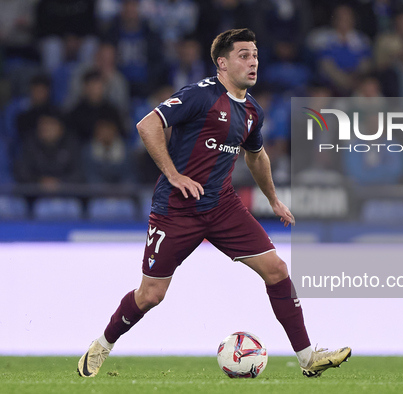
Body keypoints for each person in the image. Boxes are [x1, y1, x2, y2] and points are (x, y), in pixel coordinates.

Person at [77, 28, 351, 379]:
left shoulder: (253, 111)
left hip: (222, 207)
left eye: (254, 55)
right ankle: (103, 343)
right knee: (151, 294)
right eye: (243, 55)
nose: (252, 62)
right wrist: (173, 174)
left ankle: (308, 358)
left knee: (277, 270)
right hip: (176, 209)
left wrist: (274, 200)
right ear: (222, 63)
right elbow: (147, 125)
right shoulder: (200, 95)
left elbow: (257, 156)